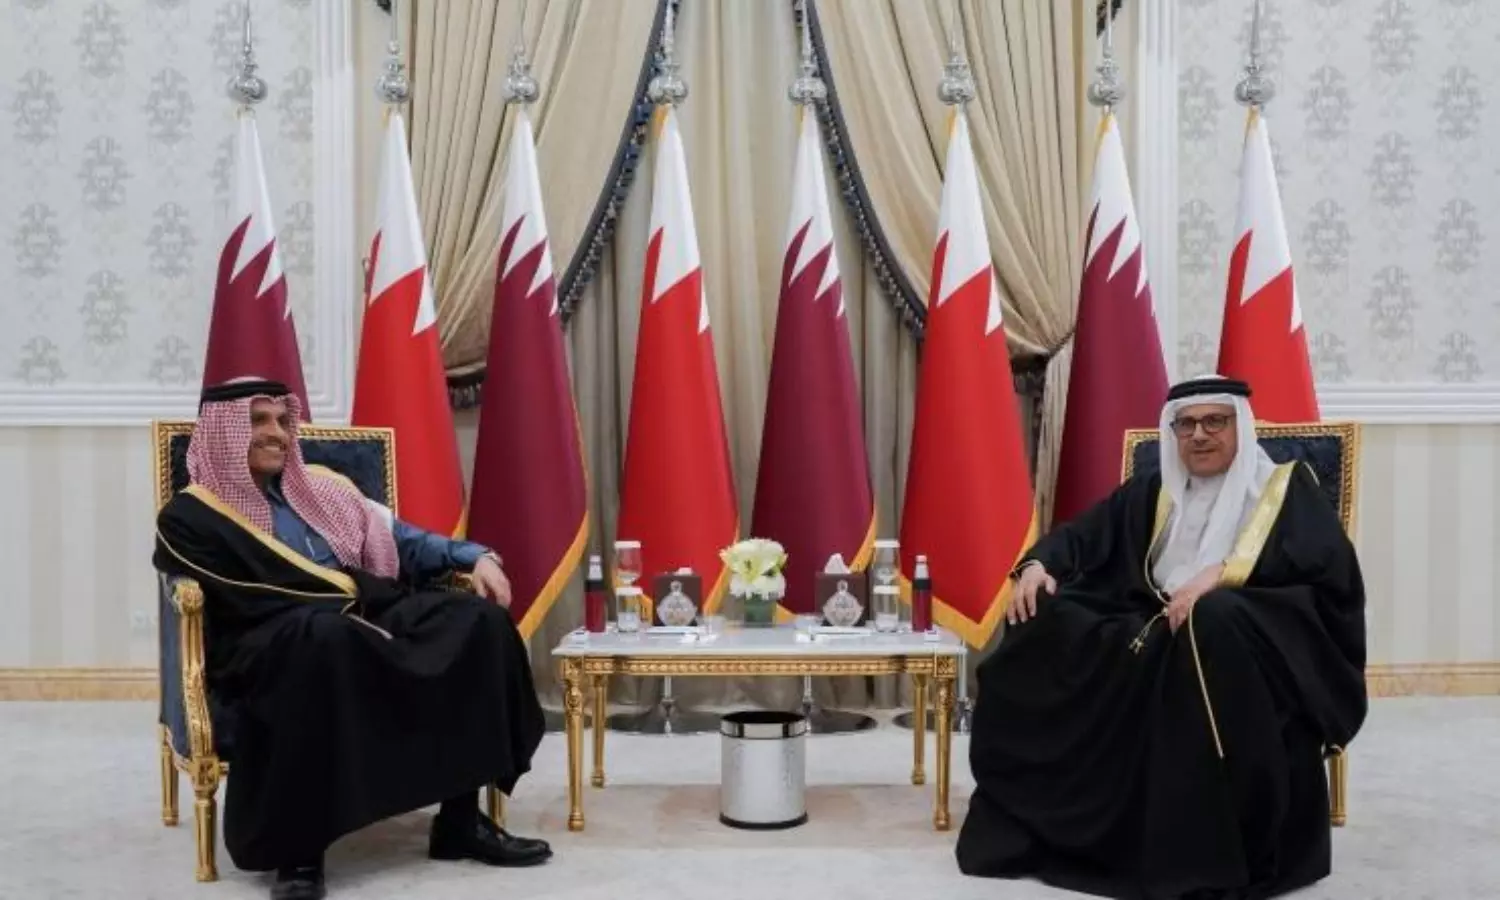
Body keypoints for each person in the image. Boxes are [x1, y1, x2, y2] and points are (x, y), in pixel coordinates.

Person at [955, 375, 1367, 900]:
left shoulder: (1284, 490)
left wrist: (1223, 575)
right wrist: (1037, 566)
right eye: (1186, 425)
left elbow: (1328, 576)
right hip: (1150, 623)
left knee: (1213, 619)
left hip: (1240, 634)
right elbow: (1083, 535)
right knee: (1041, 618)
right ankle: (1039, 824)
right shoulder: (1156, 491)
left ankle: (1216, 847)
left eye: (1214, 421)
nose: (1200, 435)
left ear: (1239, 426)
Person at [153, 378, 551, 900]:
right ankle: (298, 850)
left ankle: (459, 822)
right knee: (321, 639)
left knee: (478, 623)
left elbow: (402, 540)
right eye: (258, 421)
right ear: (222, 433)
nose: (277, 433)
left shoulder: (323, 488)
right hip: (271, 640)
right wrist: (347, 605)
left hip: (364, 612)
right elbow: (245, 598)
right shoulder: (191, 517)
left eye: (282, 421)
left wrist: (472, 556)